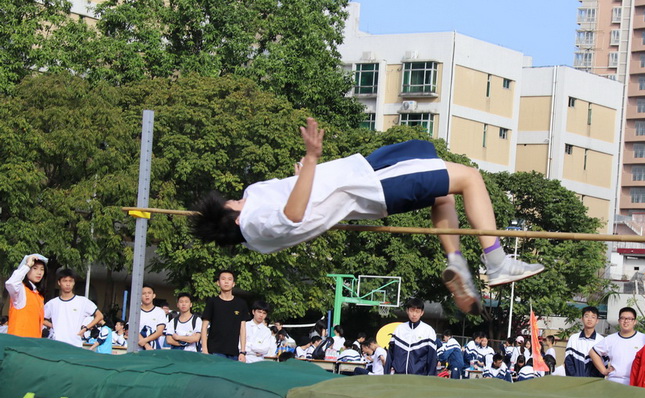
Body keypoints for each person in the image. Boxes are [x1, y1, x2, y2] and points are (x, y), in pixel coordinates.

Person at [190, 118, 545, 316]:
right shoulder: (253, 224)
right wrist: (311, 157)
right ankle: (496, 260)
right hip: (368, 185)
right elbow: (294, 214)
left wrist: (303, 176)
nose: (235, 198)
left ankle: (457, 264)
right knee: (470, 177)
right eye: (231, 202)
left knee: (438, 183)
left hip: (360, 171)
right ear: (234, 219)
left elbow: (294, 202)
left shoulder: (253, 219)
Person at [588, 307, 645, 385]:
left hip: (636, 382)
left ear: (635, 322)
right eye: (623, 318)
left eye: (629, 319)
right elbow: (593, 352)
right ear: (619, 321)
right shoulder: (610, 339)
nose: (626, 321)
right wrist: (603, 370)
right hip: (614, 381)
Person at [44, 268, 103, 347]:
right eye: (65, 281)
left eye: (70, 281)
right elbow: (40, 318)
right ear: (59, 282)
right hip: (56, 344)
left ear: (74, 282)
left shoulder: (82, 301)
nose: (68, 284)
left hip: (75, 344)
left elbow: (99, 315)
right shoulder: (52, 303)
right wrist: (53, 325)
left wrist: (86, 328)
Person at [200, 270, 251, 359]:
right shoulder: (212, 302)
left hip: (233, 351)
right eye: (223, 279)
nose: (226, 282)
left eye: (229, 279)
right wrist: (204, 349)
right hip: (215, 350)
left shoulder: (241, 303)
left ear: (233, 283)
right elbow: (204, 327)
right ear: (218, 283)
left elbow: (242, 328)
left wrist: (242, 351)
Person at [385, 297, 438, 375]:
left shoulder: (428, 331)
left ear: (422, 313)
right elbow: (390, 355)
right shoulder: (399, 329)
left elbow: (432, 359)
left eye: (417, 311)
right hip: (399, 376)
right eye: (412, 311)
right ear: (407, 311)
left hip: (419, 378)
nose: (414, 314)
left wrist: (431, 379)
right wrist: (386, 374)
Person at [5, 254, 48, 338]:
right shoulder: (21, 290)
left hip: (33, 344)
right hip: (18, 343)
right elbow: (11, 283)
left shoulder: (38, 295)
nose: (39, 273)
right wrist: (27, 265)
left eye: (42, 269)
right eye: (34, 268)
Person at [564, 306, 604, 377]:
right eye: (586, 316)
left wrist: (592, 381)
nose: (589, 319)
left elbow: (604, 364)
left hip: (593, 384)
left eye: (593, 317)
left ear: (597, 320)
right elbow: (568, 362)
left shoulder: (601, 340)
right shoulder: (573, 338)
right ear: (582, 319)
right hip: (575, 383)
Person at [138, 285, 167, 350]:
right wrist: (145, 344)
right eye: (144, 293)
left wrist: (145, 341)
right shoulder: (135, 311)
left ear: (154, 295)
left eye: (149, 293)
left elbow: (159, 331)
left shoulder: (160, 312)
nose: (147, 295)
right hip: (137, 348)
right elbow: (133, 329)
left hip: (154, 348)